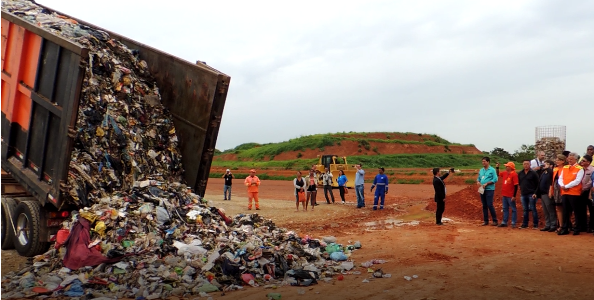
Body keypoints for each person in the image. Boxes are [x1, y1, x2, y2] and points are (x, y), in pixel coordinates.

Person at [558, 152, 585, 235]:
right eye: (569, 159)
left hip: (574, 193)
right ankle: (565, 228)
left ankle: (577, 228)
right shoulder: (565, 167)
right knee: (565, 211)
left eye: (571, 159)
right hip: (564, 192)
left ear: (576, 159)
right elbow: (560, 178)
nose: (569, 160)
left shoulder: (579, 168)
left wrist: (566, 186)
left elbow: (577, 180)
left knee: (576, 211)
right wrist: (562, 185)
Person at [496, 162, 519, 228]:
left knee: (513, 209)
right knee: (505, 208)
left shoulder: (514, 175)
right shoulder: (505, 173)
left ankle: (513, 222)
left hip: (510, 195)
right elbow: (497, 174)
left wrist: (514, 196)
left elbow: (516, 186)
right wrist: (497, 167)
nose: (506, 167)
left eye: (507, 166)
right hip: (504, 194)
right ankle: (504, 222)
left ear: (511, 167)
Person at [518, 160, 540, 229]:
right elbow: (519, 183)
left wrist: (535, 193)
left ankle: (535, 224)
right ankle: (525, 224)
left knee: (533, 208)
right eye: (524, 164)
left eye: (527, 164)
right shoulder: (520, 173)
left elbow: (538, 184)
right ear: (522, 164)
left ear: (530, 165)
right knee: (525, 209)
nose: (526, 165)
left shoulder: (533, 173)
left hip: (531, 194)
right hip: (523, 194)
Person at [477, 157, 498, 226]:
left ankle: (495, 220)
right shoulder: (481, 170)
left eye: (484, 161)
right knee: (484, 205)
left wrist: (487, 183)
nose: (483, 163)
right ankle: (486, 221)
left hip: (489, 189)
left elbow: (495, 179)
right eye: (482, 161)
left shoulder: (492, 170)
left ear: (488, 162)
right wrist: (478, 182)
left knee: (490, 204)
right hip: (482, 189)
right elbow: (479, 178)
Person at [537, 160, 556, 231]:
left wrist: (548, 168)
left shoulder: (551, 172)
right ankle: (548, 224)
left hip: (548, 193)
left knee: (550, 210)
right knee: (545, 211)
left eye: (547, 164)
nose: (544, 165)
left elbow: (551, 177)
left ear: (551, 165)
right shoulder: (544, 173)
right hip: (542, 194)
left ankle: (553, 225)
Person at [550, 154, 567, 232]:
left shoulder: (565, 169)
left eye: (558, 160)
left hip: (564, 189)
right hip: (556, 190)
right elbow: (552, 181)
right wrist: (551, 190)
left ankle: (566, 225)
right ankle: (560, 225)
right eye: (556, 160)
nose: (557, 161)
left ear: (563, 161)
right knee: (558, 208)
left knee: (566, 208)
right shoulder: (555, 169)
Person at [578, 155, 593, 233]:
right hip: (580, 192)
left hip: (589, 191)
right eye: (581, 160)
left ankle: (591, 227)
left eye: (583, 161)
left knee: (591, 210)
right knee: (581, 209)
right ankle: (582, 226)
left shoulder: (592, 170)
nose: (581, 162)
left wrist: (583, 189)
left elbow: (591, 182)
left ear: (588, 162)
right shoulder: (580, 169)